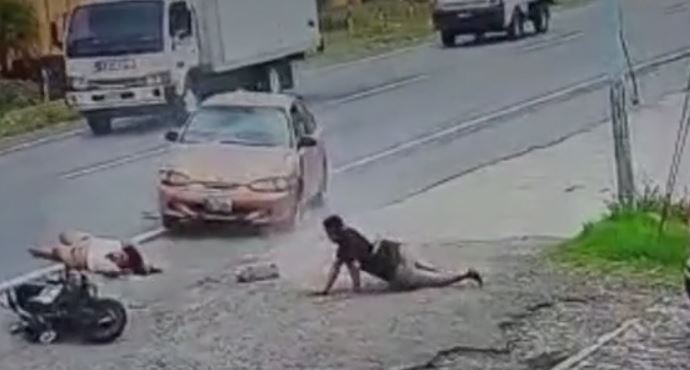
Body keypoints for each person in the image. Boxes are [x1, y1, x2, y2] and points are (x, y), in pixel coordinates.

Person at [316, 215, 483, 295]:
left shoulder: (344, 246)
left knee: (435, 281)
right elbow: (343, 266)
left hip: (395, 270)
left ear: (333, 231)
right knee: (430, 271)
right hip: (397, 250)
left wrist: (355, 290)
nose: (328, 236)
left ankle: (466, 274)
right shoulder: (350, 232)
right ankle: (456, 272)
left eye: (328, 233)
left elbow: (349, 268)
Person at [28, 231, 162, 278]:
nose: (118, 256)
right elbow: (131, 245)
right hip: (86, 241)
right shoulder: (121, 248)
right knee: (64, 235)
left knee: (57, 251)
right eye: (121, 255)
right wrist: (148, 264)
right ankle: (36, 250)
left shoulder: (114, 268)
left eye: (120, 259)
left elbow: (121, 273)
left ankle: (33, 250)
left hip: (79, 255)